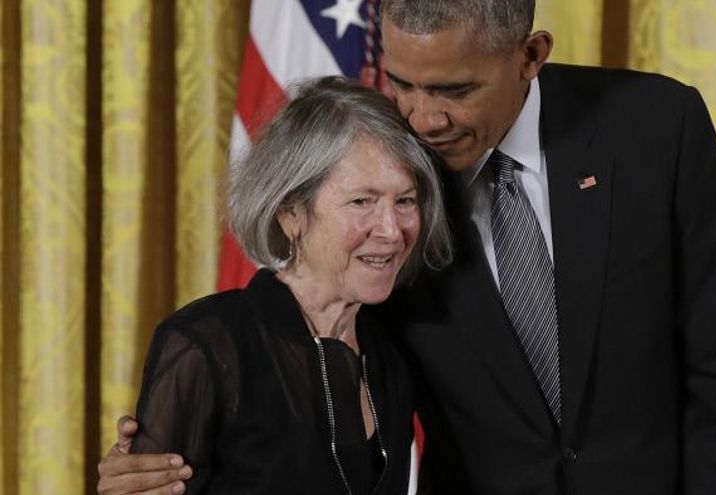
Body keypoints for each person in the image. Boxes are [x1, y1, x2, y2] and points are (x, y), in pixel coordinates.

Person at [99, 1, 716, 494]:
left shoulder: (656, 128)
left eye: (453, 89)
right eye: (403, 83)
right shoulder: (393, 168)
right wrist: (159, 460)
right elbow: (300, 389)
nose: (423, 118)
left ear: (530, 56)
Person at [97, 75, 452, 495]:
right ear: (291, 213)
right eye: (362, 201)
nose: (393, 231)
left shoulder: (391, 358)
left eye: (405, 201)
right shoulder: (206, 344)